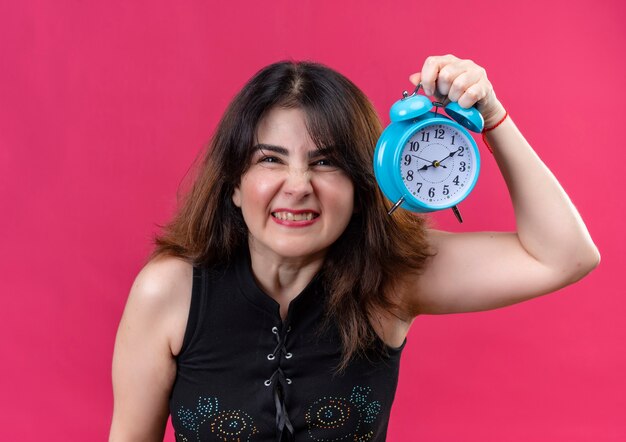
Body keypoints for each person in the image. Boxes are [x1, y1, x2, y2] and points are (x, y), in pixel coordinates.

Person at [109, 54, 600, 442]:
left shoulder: (392, 277)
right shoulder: (168, 291)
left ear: (361, 184)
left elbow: (565, 256)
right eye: (270, 160)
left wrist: (492, 116)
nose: (297, 186)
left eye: (325, 163)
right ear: (234, 185)